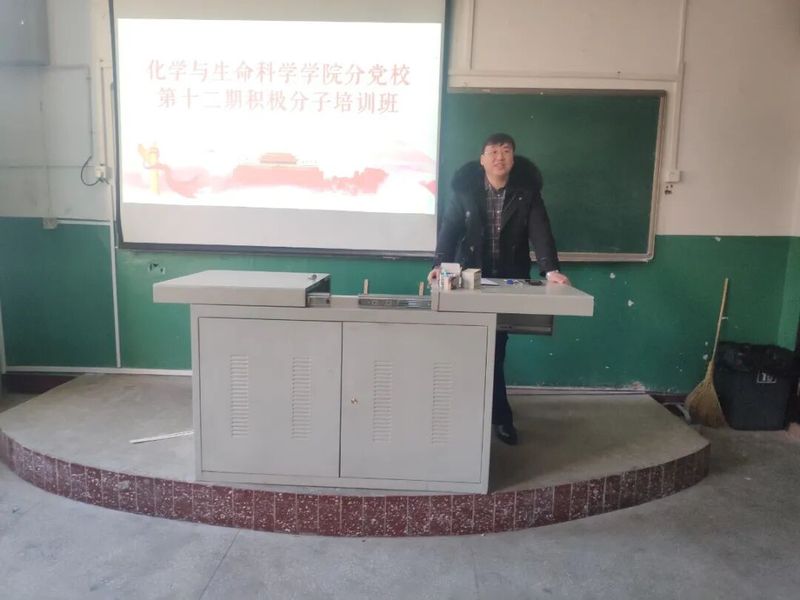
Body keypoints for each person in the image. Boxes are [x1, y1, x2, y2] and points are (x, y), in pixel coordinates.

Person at [428, 133, 570, 446]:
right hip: (469, 281)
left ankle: (497, 417)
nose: (499, 157)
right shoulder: (465, 191)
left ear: (513, 159)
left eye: (505, 151)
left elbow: (541, 232)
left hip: (509, 282)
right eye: (492, 151)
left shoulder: (527, 193)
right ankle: (481, 415)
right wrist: (439, 264)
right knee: (472, 349)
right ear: (482, 160)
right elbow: (449, 230)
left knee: (495, 350)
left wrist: (551, 270)